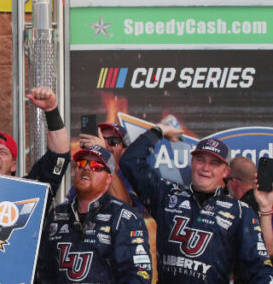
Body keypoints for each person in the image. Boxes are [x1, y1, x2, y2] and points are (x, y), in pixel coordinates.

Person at [120, 125, 273, 282]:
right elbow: (130, 161)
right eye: (200, 160)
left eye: (214, 163)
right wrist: (158, 131)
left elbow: (260, 268)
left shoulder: (240, 211)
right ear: (192, 162)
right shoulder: (167, 195)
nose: (206, 168)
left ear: (226, 172)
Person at [37, 144, 153, 283]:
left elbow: (138, 274)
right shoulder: (57, 214)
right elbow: (42, 271)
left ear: (108, 179)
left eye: (96, 166)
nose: (86, 168)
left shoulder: (124, 217)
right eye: (81, 163)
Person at [77, 121, 145, 213]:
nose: (106, 144)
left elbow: (125, 210)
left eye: (113, 141)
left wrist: (104, 154)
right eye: (102, 139)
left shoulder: (133, 176)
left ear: (124, 149)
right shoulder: (87, 173)